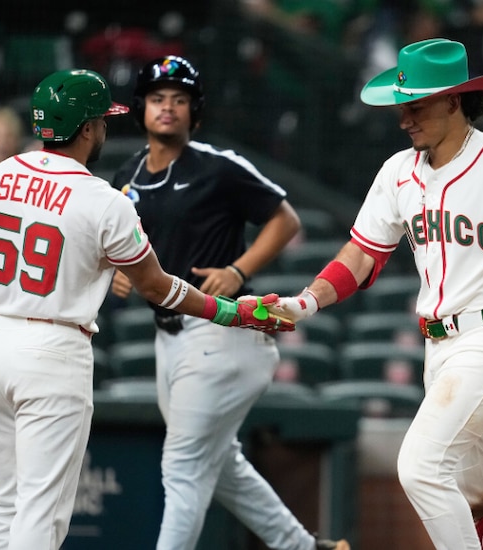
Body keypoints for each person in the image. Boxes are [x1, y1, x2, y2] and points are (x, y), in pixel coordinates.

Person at [0, 68, 286, 550]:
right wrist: (230, 312)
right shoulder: (103, 200)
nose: (106, 129)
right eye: (102, 121)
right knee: (40, 512)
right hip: (52, 353)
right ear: (87, 128)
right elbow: (158, 287)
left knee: (3, 498)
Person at [261, 38, 483, 549]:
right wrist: (307, 301)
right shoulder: (398, 172)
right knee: (481, 496)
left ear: (454, 99)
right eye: (401, 105)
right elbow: (362, 254)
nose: (404, 117)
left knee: (421, 468)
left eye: (415, 105)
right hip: (440, 346)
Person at [109, 55, 349, 550]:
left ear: (195, 112)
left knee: (182, 464)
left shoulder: (217, 166)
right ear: (142, 108)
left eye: (180, 100)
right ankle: (303, 548)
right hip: (169, 337)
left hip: (224, 332)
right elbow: (114, 243)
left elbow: (286, 219)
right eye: (158, 99)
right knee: (218, 465)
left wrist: (240, 269)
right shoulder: (127, 175)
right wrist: (116, 270)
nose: (168, 108)